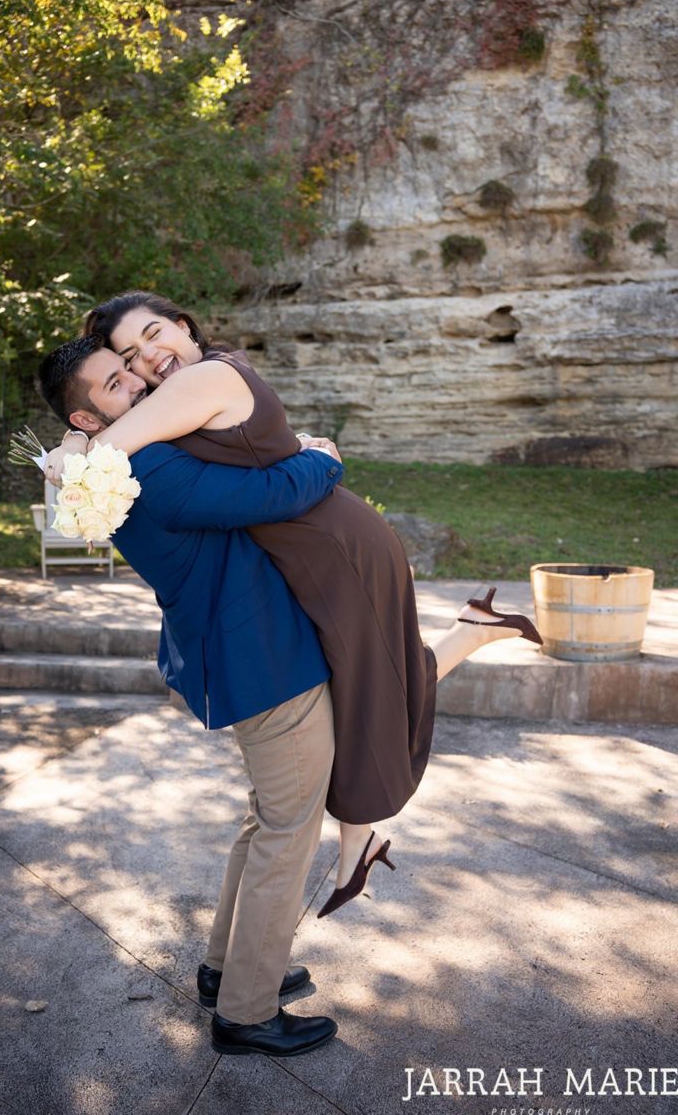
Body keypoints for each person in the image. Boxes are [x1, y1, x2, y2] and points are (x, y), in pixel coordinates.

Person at [44, 291, 543, 917]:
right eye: (129, 357)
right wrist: (75, 439)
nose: (147, 359)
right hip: (310, 548)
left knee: (367, 684)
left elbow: (112, 444)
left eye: (152, 335)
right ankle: (365, 831)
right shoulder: (184, 390)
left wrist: (73, 451)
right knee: (361, 683)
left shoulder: (200, 378)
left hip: (334, 549)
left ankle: (360, 839)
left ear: (183, 324)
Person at [39, 335, 346, 1057]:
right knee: (287, 834)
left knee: (267, 820)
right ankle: (246, 1011)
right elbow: (267, 495)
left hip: (242, 650)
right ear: (85, 419)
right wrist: (321, 458)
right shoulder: (146, 465)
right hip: (263, 656)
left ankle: (226, 968)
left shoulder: (113, 460)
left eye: (129, 371)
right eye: (115, 384)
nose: (138, 384)